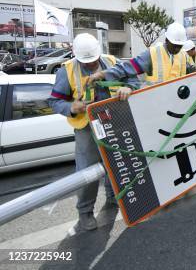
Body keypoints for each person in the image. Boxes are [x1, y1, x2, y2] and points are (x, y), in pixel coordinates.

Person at [48, 34, 134, 232]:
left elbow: (133, 80)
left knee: (116, 162)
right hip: (86, 127)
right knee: (87, 172)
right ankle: (85, 212)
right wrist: (72, 107)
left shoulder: (113, 62)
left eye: (93, 60)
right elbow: (54, 102)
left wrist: (127, 88)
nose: (90, 64)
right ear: (76, 56)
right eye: (85, 62)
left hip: (114, 121)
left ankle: (114, 198)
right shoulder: (67, 70)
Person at [87, 23, 196, 87]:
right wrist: (102, 74)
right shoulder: (153, 53)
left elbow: (187, 69)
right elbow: (128, 67)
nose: (177, 48)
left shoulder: (182, 55)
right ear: (166, 40)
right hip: (156, 105)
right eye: (174, 45)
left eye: (180, 45)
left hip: (178, 101)